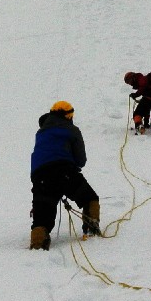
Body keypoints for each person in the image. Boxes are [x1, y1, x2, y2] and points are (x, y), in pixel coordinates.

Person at [28, 101, 100, 250]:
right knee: (89, 198)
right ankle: (91, 223)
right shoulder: (72, 130)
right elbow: (81, 159)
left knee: (42, 217)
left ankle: (38, 242)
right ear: (68, 115)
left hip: (40, 176)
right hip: (64, 171)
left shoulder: (40, 132)